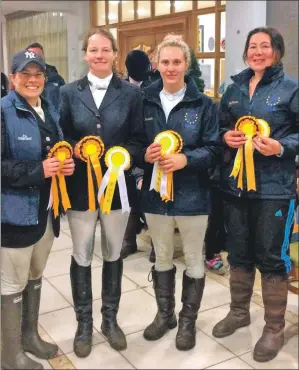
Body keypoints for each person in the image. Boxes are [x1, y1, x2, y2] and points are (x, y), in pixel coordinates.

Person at [212, 27, 299, 363]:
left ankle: (274, 326)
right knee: (239, 251)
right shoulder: (233, 88)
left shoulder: (291, 89)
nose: (258, 51)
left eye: (265, 46)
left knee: (271, 256)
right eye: (253, 46)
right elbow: (219, 127)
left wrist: (282, 146)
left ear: (277, 51)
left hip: (274, 189)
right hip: (235, 186)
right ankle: (238, 312)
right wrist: (225, 137)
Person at [59, 27, 145, 357]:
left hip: (117, 188)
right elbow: (61, 137)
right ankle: (84, 323)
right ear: (85, 54)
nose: (99, 55)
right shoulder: (68, 93)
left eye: (105, 50)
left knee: (112, 252)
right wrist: (74, 151)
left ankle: (110, 320)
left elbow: (138, 138)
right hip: (80, 188)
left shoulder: (131, 94)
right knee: (81, 253)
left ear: (114, 54)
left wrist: (122, 159)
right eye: (93, 50)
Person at [139, 35, 221, 351]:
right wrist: (142, 155)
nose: (171, 67)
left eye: (177, 62)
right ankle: (165, 315)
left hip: (193, 196)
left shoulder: (204, 105)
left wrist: (186, 158)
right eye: (165, 61)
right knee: (161, 255)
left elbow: (214, 149)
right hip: (155, 196)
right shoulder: (144, 101)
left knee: (194, 258)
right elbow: (134, 142)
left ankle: (187, 321)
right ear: (156, 64)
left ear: (186, 65)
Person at [1, 50, 75, 369]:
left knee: (35, 275)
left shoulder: (47, 109)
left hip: (46, 211)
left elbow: (52, 151)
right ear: (13, 77)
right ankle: (11, 354)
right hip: (14, 215)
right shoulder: (3, 111)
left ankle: (29, 336)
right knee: (12, 283)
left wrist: (64, 164)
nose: (33, 80)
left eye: (39, 74)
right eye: (26, 73)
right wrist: (39, 170)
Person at [121, 50, 153, 259]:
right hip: (126, 149)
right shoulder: (121, 88)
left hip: (151, 147)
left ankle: (156, 245)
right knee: (128, 197)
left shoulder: (155, 86)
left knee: (151, 196)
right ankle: (128, 240)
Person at [26, 42, 65, 109]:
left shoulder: (56, 79)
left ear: (43, 56)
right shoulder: (23, 80)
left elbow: (64, 102)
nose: (35, 59)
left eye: (38, 55)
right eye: (32, 56)